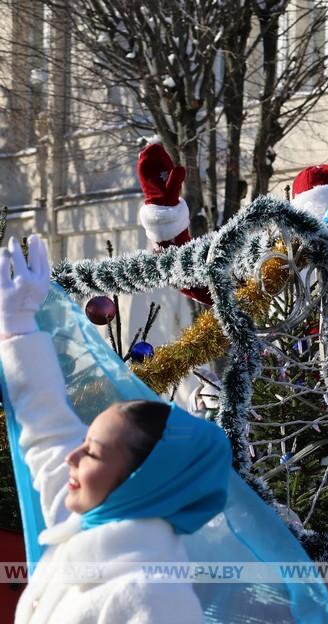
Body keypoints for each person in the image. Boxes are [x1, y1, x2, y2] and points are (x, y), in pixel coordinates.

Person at [0, 235, 229, 623]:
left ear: (140, 479)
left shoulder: (154, 596)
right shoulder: (87, 522)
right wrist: (18, 331)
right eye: (85, 443)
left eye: (92, 450)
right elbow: (49, 429)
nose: (72, 455)